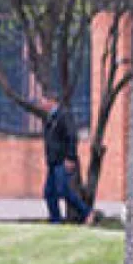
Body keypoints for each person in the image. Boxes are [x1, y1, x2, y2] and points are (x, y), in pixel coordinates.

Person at [41, 94, 93, 225]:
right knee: (49, 192)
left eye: (44, 100)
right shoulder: (50, 117)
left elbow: (72, 137)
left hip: (62, 160)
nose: (41, 103)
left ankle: (86, 212)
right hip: (53, 161)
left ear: (52, 101)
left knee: (63, 190)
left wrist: (70, 158)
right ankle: (55, 220)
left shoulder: (64, 115)